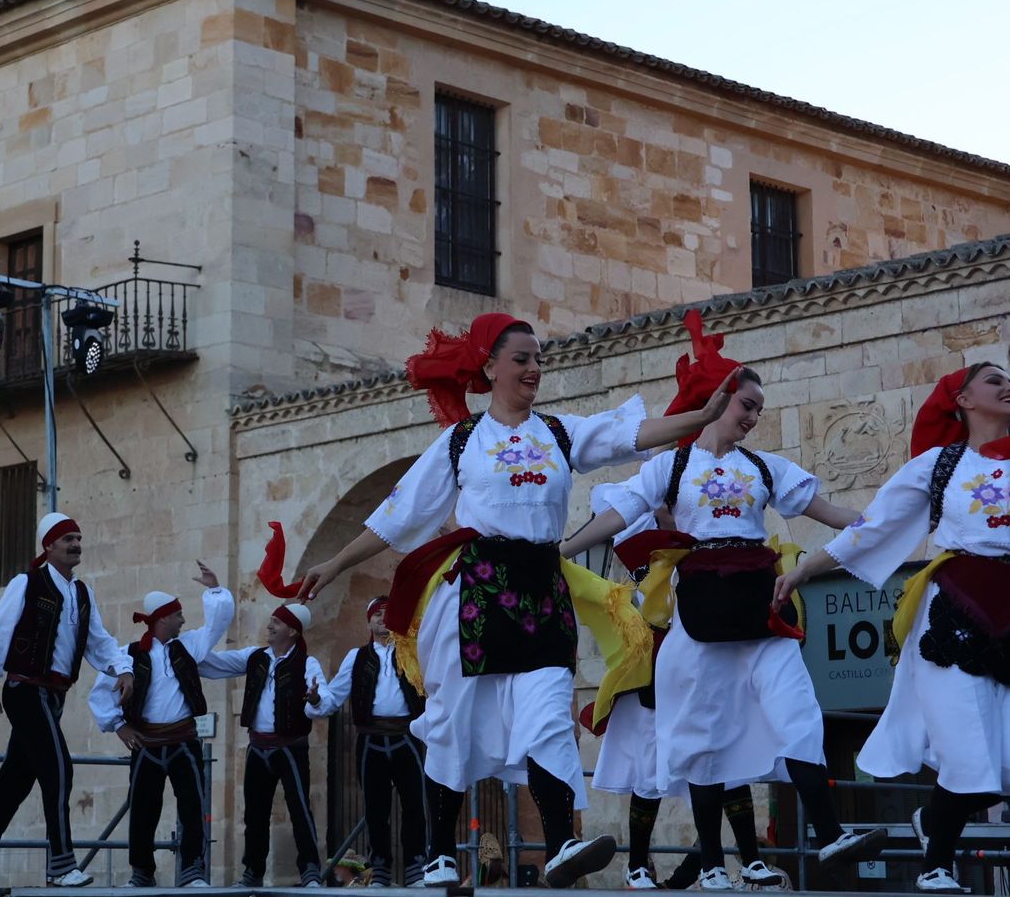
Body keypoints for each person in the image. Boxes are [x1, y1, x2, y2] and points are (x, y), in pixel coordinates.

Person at [298, 313, 727, 889]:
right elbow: (398, 516)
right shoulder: (461, 442)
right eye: (522, 359)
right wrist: (335, 563)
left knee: (549, 718)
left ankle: (560, 845)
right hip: (477, 593)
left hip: (543, 589)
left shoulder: (560, 432)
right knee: (452, 723)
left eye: (538, 359)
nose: (533, 369)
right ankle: (440, 853)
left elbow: (631, 435)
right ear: (491, 367)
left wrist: (700, 417)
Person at [774, 363, 1010, 892]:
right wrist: (805, 568)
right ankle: (936, 868)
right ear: (962, 399)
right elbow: (873, 526)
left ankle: (933, 822)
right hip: (955, 606)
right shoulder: (939, 465)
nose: (1009, 386)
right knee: (969, 752)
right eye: (994, 381)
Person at [564, 313, 884, 890]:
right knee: (700, 737)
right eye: (747, 404)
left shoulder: (764, 467)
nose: (754, 416)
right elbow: (619, 513)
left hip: (761, 615)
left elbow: (826, 510)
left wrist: (884, 523)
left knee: (799, 714)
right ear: (721, 399)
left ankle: (832, 832)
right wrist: (562, 550)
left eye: (758, 408)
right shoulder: (672, 465)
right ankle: (711, 863)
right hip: (702, 619)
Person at [567, 514, 779, 891]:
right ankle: (637, 867)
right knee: (649, 776)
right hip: (651, 690)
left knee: (729, 765)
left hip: (702, 681)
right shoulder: (641, 580)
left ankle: (751, 859)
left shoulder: (703, 565)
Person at [0, 513, 134, 888]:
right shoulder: (27, 583)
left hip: (53, 697)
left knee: (14, 782)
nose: (75, 545)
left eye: (78, 538)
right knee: (59, 770)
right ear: (48, 546)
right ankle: (61, 865)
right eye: (67, 539)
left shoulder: (82, 592)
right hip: (24, 691)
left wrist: (122, 667)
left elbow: (99, 642)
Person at [88, 562, 234, 888]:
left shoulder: (189, 646)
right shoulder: (129, 654)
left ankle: (193, 871)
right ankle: (142, 872)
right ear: (164, 618)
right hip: (147, 743)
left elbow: (217, 625)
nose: (184, 620)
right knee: (142, 811)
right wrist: (119, 727)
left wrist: (214, 589)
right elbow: (100, 693)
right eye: (179, 615)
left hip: (183, 739)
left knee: (192, 807)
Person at [197, 603, 329, 888]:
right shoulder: (255, 657)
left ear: (292, 631)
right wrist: (184, 653)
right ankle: (252, 873)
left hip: (290, 748)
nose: (269, 626)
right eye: (270, 621)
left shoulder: (307, 663)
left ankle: (309, 870)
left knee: (299, 809)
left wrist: (315, 699)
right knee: (254, 813)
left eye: (276, 623)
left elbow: (324, 700)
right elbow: (214, 664)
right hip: (258, 746)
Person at [311, 596, 429, 887]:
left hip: (406, 736)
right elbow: (334, 697)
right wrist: (315, 698)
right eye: (377, 614)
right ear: (368, 621)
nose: (382, 618)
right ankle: (380, 871)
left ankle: (416, 867)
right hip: (371, 740)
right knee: (376, 809)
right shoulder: (356, 657)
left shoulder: (412, 653)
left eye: (388, 613)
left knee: (414, 804)